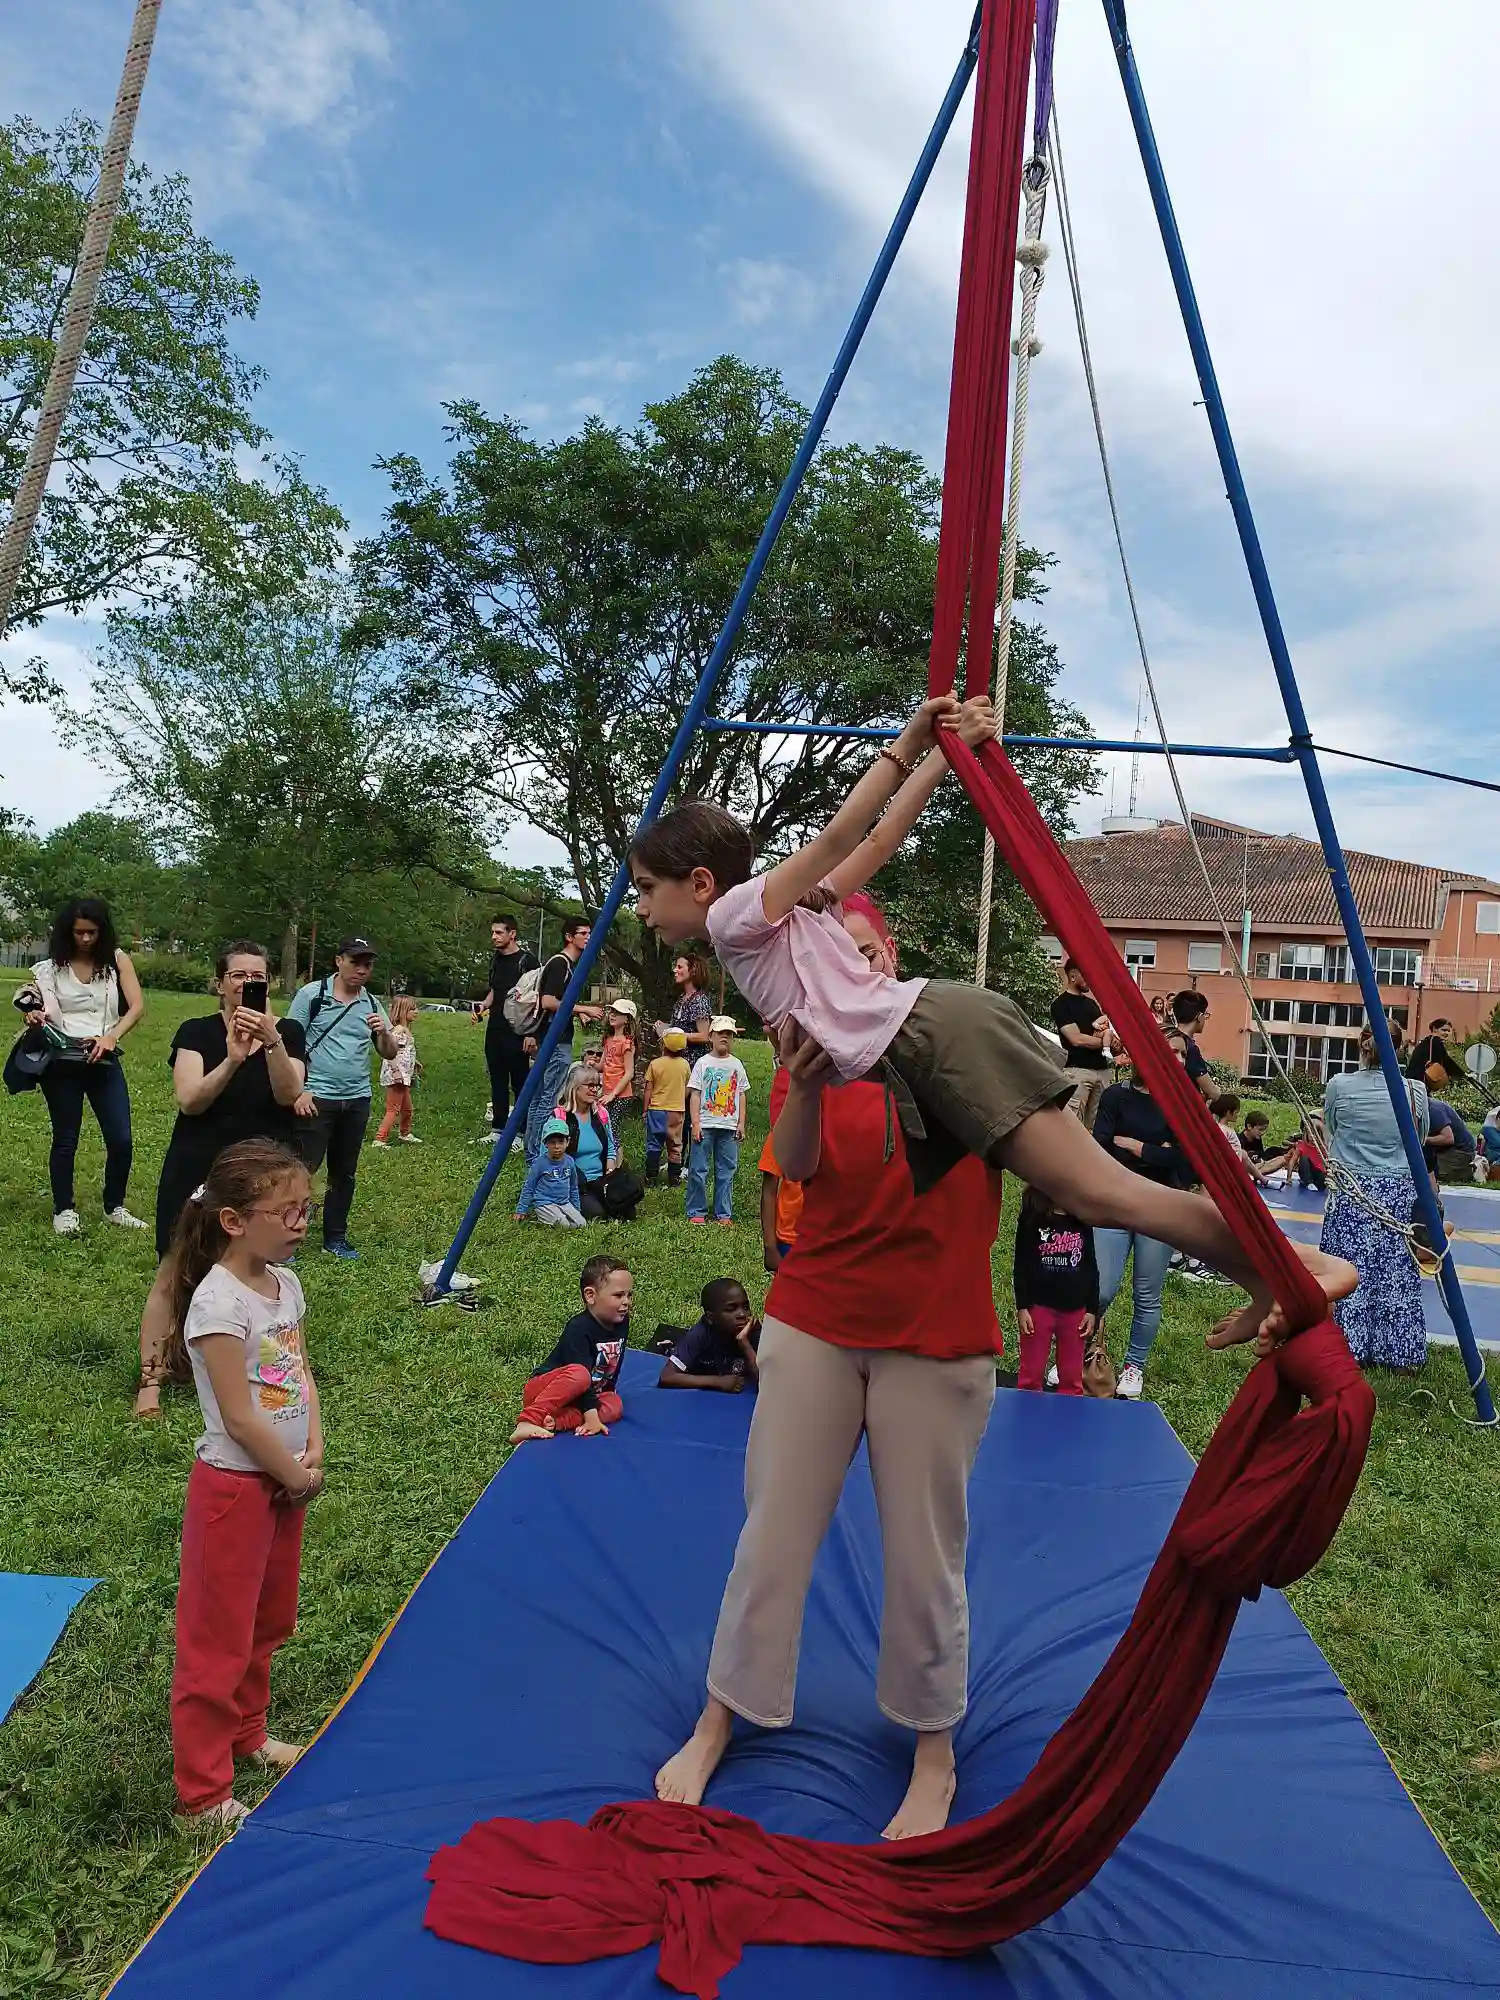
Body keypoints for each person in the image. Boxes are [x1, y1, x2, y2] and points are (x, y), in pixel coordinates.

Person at [654, 993, 1352, 1839]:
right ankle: (721, 1716)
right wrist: (801, 1083)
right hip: (815, 1324)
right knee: (770, 1535)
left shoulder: (954, 1046)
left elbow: (1102, 1189)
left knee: (925, 1552)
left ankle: (933, 1750)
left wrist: (1274, 1266)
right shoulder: (815, 1052)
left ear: (893, 965)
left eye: (869, 952)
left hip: (934, 1335)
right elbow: (794, 1167)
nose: (854, 971)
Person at [166, 1139, 324, 1826]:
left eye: (306, 1208)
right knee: (217, 1640)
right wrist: (292, 1474)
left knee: (267, 1620)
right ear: (234, 1220)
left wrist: (313, 1444)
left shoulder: (285, 1285)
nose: (300, 1222)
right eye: (286, 1212)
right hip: (236, 1491)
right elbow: (238, 1415)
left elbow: (298, 1371)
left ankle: (248, 1734)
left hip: (285, 1486)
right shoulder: (217, 1304)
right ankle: (203, 1792)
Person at [135, 941, 308, 1419]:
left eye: (258, 977)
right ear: (220, 984)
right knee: (173, 1271)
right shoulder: (196, 1032)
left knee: (262, 1275)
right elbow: (190, 1100)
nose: (248, 984)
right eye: (238, 976)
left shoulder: (288, 1033)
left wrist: (270, 1041)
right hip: (199, 1166)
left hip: (266, 1175)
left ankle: (260, 1373)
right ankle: (151, 1379)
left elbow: (290, 1093)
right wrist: (233, 1057)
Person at [24, 897, 147, 1235]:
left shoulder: (116, 961)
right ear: (68, 932)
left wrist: (111, 1037)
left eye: (92, 932)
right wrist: (33, 1015)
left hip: (103, 1057)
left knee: (121, 1139)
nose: (86, 938)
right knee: (66, 1138)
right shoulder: (50, 968)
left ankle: (114, 1207)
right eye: (79, 932)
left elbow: (137, 1006)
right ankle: (64, 1210)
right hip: (62, 1060)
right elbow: (39, 1007)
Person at [1317, 1024, 1429, 1370]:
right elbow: (1419, 1140)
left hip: (1352, 1189)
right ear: (1401, 1048)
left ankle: (1345, 1345)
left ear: (1361, 1046)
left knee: (1346, 1267)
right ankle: (1398, 1350)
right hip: (1396, 1191)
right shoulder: (1415, 1090)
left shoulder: (1339, 1085)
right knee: (1395, 1271)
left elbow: (1332, 1127)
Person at [1091, 1032, 1195, 1400]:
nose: (1177, 1059)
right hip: (1116, 1202)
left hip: (1159, 1205)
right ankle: (1082, 1351)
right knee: (1100, 1288)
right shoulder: (1116, 1096)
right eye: (1171, 1052)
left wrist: (1136, 1146)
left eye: (1183, 1054)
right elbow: (1101, 1147)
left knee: (1147, 1293)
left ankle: (1134, 1366)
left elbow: (1185, 1161)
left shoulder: (1183, 1104)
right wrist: (1158, 1151)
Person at [285, 937, 397, 1260]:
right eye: (355, 962)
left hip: (356, 1100)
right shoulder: (312, 996)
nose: (362, 970)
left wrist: (383, 1032)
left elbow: (390, 1053)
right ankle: (285, 1238)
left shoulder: (371, 1004)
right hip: (316, 1098)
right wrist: (298, 1091)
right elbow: (288, 1044)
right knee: (301, 1171)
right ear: (338, 961)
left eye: (367, 965)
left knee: (344, 1173)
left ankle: (335, 1237)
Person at [510, 1255, 631, 1441]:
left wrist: (605, 1395)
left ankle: (554, 1422)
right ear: (590, 1296)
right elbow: (581, 1377)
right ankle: (528, 1421)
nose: (626, 1301)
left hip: (578, 1398)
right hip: (546, 1391)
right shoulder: (578, 1328)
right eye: (618, 1295)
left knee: (615, 1404)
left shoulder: (622, 1322)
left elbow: (614, 1365)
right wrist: (592, 1417)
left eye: (629, 1295)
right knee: (580, 1374)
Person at [522, 918, 603, 1159]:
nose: (588, 938)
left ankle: (531, 1150)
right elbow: (548, 1001)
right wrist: (584, 1009)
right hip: (556, 1041)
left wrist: (577, 1013)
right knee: (548, 1099)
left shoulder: (566, 965)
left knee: (539, 1098)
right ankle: (537, 1153)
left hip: (549, 1038)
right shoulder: (561, 964)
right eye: (583, 933)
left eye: (589, 933)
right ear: (569, 937)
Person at [1012, 1184, 1098, 1396]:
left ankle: (1069, 1416)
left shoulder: (1083, 1218)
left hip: (1075, 1312)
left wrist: (1091, 1309)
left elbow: (1090, 1265)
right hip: (1038, 1308)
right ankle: (1026, 1414)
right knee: (1030, 1376)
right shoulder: (1033, 1215)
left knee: (1071, 1380)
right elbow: (1021, 1262)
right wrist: (1023, 1306)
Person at [475, 915, 537, 1141]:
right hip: (495, 1029)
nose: (494, 937)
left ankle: (520, 1132)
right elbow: (495, 990)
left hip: (519, 1031)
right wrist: (483, 1006)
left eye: (499, 932)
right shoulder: (495, 960)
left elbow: (536, 999)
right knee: (497, 1080)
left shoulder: (528, 962)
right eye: (493, 932)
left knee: (520, 1082)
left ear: (513, 934)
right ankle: (498, 1129)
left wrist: (532, 1033)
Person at [686, 1018, 750, 1225]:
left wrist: (741, 1123)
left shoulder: (736, 1065)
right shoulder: (702, 1063)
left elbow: (741, 1094)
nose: (724, 1037)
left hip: (729, 1127)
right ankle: (697, 1210)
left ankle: (723, 1213)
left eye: (729, 1034)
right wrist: (695, 1123)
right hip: (705, 1125)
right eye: (720, 1033)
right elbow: (695, 1094)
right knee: (698, 1169)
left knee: (727, 1171)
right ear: (711, 1037)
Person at [658, 1278, 761, 1392]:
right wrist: (718, 1382)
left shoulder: (753, 1330)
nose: (742, 1314)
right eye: (731, 1309)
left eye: (746, 1307)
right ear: (710, 1318)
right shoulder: (700, 1333)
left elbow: (766, 1381)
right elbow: (667, 1377)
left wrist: (744, 1343)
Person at [1051, 959, 1114, 1131]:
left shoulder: (1092, 1004)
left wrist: (1107, 1041)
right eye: (1086, 974)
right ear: (1073, 976)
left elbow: (1101, 1031)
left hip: (1102, 1071)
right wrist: (1105, 1042)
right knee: (1072, 1128)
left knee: (1098, 1127)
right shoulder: (1061, 1004)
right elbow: (1076, 1039)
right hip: (1077, 1071)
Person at [556, 1063, 623, 1220]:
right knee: (597, 1214)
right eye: (590, 1085)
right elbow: (548, 1156)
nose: (595, 1090)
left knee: (626, 1208)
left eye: (597, 1086)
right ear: (575, 1087)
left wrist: (611, 1171)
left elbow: (611, 1147)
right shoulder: (560, 1117)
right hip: (574, 1184)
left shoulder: (601, 1114)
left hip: (601, 1180)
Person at [759, 1057, 802, 1271]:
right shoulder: (780, 1135)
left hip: (826, 1236)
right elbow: (769, 1191)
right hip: (789, 1238)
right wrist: (770, 1246)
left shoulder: (835, 1133)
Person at [514, 1117, 587, 1226]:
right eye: (552, 1142)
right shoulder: (539, 1163)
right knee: (564, 1224)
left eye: (561, 1142)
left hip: (564, 1202)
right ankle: (541, 1216)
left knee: (582, 1223)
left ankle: (561, 1216)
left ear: (568, 1142)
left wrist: (576, 1210)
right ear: (545, 1143)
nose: (557, 1146)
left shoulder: (570, 1161)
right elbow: (529, 1186)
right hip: (544, 1202)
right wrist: (521, 1210)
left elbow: (573, 1187)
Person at [642, 1027, 692, 1185]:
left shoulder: (655, 1064)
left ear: (663, 1044)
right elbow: (688, 1087)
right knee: (675, 1145)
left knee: (654, 1144)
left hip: (656, 1110)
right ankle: (674, 1179)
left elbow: (648, 1089)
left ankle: (651, 1177)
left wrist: (645, 1109)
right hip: (677, 1111)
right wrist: (680, 1099)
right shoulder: (685, 1065)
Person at [372, 996, 422, 1147]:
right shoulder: (398, 1031)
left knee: (407, 1109)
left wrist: (415, 1062)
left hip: (404, 1076)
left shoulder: (405, 1030)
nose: (416, 1011)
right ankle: (380, 1139)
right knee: (393, 1109)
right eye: (412, 1009)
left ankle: (405, 1133)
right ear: (402, 1011)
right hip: (397, 1076)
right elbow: (390, 1053)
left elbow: (403, 1052)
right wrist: (396, 1071)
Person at [654, 953, 714, 1056]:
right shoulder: (682, 998)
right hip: (678, 1059)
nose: (675, 970)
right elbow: (683, 1027)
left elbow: (705, 1036)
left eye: (680, 967)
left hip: (693, 1061)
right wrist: (665, 1027)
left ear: (693, 970)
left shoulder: (699, 1000)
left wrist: (676, 1035)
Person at [1171, 989, 1218, 1102]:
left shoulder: (1167, 1038)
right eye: (1206, 1015)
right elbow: (1213, 1093)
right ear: (1199, 1017)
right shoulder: (1190, 1048)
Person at [598, 999, 639, 1127]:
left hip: (620, 1095)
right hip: (607, 1092)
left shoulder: (626, 1043)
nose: (612, 1015)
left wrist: (613, 1094)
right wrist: (591, 1064)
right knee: (605, 1126)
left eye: (618, 1013)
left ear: (627, 1019)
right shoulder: (608, 1040)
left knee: (611, 1129)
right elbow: (601, 1066)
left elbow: (629, 1073)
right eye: (612, 1011)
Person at [1426, 1098, 1477, 1185]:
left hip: (1460, 1151)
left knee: (1433, 1175)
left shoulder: (1434, 1109)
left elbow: (1448, 1138)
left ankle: (1468, 1170)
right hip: (1442, 1150)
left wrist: (1423, 1139)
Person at [1240, 1109, 1292, 1186]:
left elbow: (1261, 1157)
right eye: (1260, 1130)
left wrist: (1262, 1162)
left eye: (1264, 1130)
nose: (1262, 1133)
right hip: (1245, 1170)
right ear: (1249, 1126)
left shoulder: (1257, 1139)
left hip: (1257, 1167)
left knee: (1282, 1158)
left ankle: (1255, 1175)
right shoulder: (1239, 1140)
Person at [1408, 1018, 1464, 1088]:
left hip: (1412, 1081)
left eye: (1448, 1031)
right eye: (1443, 1030)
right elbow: (1447, 1061)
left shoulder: (1425, 1042)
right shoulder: (1436, 1042)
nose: (1446, 1033)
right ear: (1435, 1029)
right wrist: (1462, 1075)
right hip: (1421, 1082)